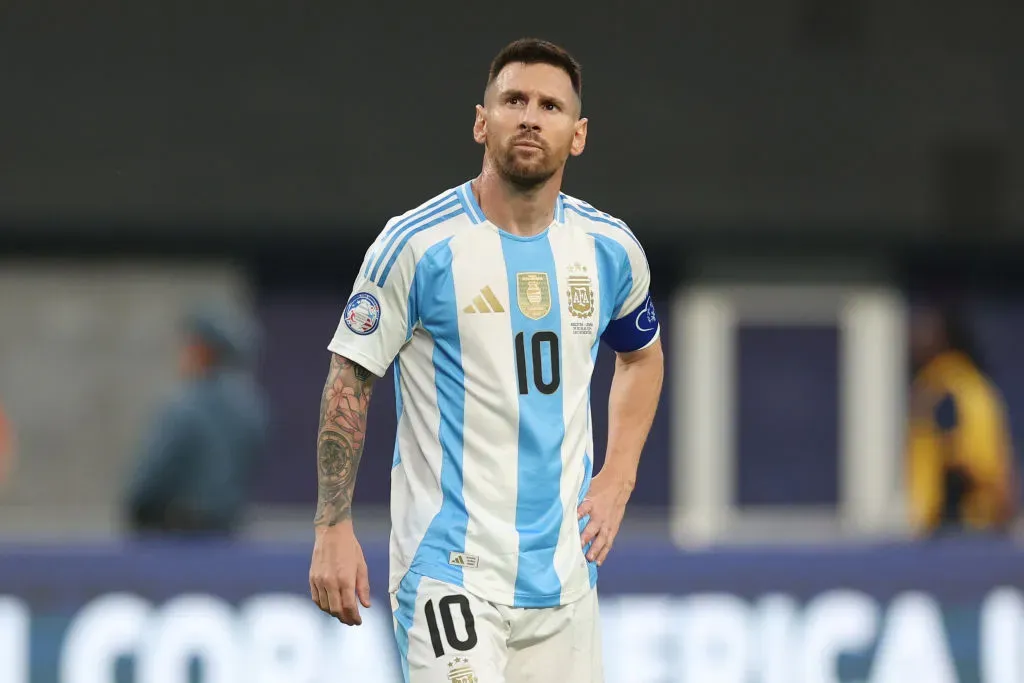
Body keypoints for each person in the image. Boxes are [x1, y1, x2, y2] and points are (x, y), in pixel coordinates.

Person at [308, 38, 664, 682]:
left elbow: (642, 359)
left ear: (577, 135)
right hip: (450, 572)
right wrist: (332, 524)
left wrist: (619, 475)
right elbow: (350, 377)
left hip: (564, 580)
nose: (531, 116)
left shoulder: (610, 250)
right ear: (482, 121)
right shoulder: (416, 245)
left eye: (550, 106)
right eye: (514, 100)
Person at [123, 305, 267, 537]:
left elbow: (148, 481)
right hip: (228, 536)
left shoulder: (186, 406)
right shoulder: (251, 407)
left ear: (202, 350)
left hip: (177, 538)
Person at [907, 300, 1017, 537]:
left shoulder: (943, 387)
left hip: (959, 525)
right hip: (981, 521)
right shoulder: (972, 383)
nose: (914, 339)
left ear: (943, 337)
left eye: (924, 331)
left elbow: (962, 460)